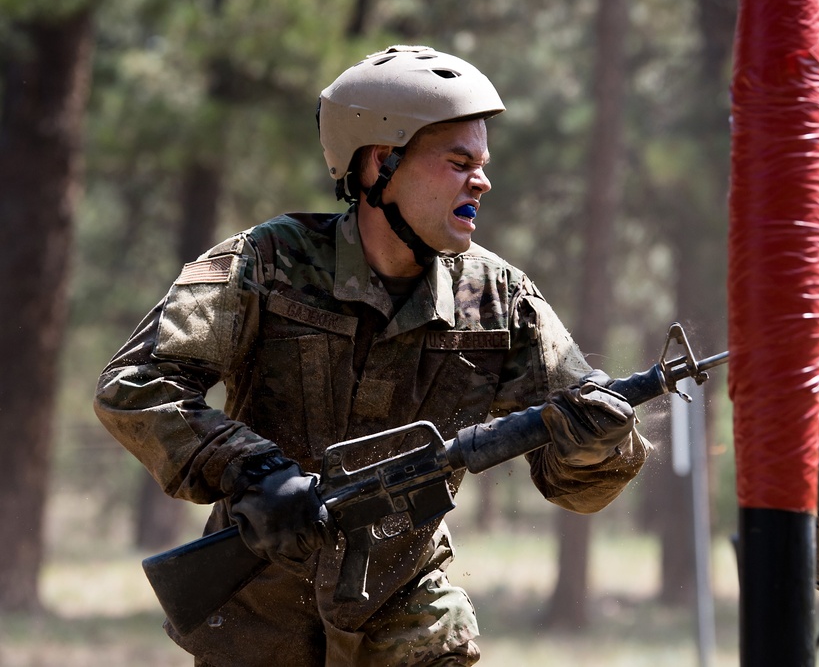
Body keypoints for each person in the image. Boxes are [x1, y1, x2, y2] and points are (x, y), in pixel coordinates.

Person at [94, 45, 648, 666]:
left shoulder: (498, 300)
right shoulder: (268, 264)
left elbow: (578, 486)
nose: (482, 180)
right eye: (459, 161)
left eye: (483, 163)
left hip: (412, 628)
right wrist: (254, 472)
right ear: (381, 163)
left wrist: (600, 441)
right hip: (257, 628)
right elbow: (135, 384)